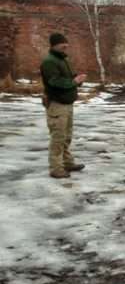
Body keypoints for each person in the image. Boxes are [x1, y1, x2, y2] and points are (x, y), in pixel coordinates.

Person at [39, 33, 87, 179]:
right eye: (62, 43)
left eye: (66, 43)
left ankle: (67, 163)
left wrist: (77, 79)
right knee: (58, 138)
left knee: (66, 137)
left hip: (67, 104)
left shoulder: (62, 59)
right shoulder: (49, 61)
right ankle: (56, 168)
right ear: (54, 44)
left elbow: (67, 78)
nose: (66, 45)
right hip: (57, 104)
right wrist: (74, 82)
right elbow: (54, 82)